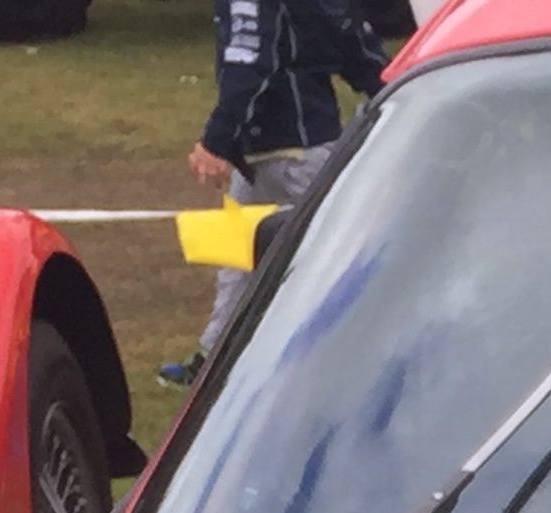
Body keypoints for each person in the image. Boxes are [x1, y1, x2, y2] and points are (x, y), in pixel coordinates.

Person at [160, 0, 386, 387]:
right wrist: (387, 91)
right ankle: (217, 359)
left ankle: (357, 358)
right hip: (296, 151)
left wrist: (216, 141)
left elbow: (250, 64)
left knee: (319, 261)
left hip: (283, 156)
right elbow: (353, 45)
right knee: (241, 260)